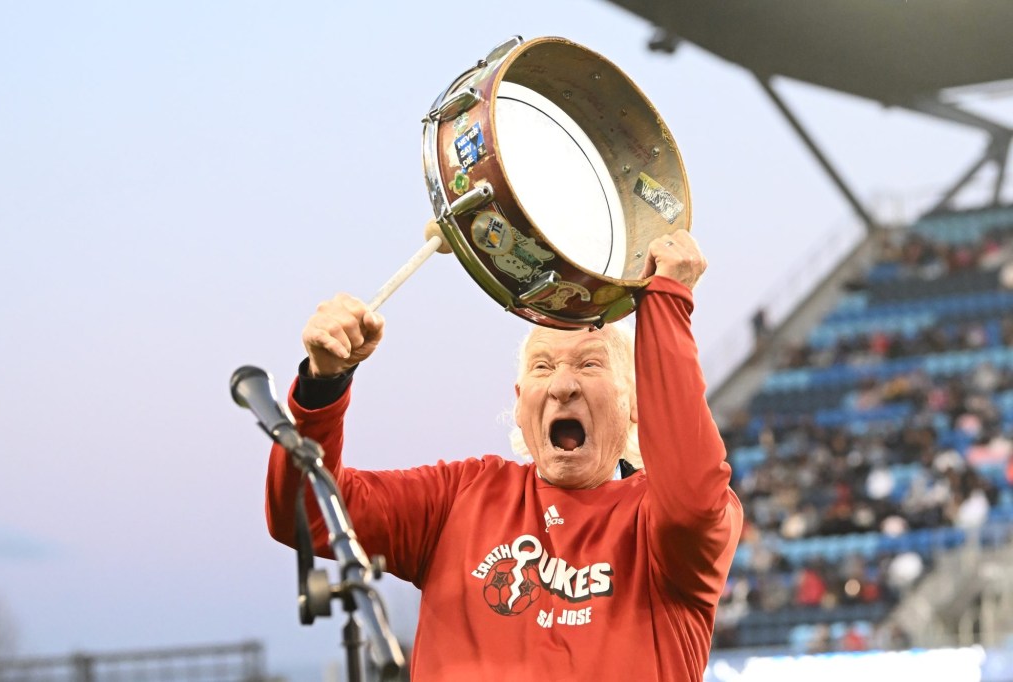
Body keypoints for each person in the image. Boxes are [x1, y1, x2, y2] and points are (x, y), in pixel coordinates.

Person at [265, 229, 743, 681]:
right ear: (519, 402)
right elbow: (307, 515)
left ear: (637, 402)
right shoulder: (460, 498)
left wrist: (666, 306)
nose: (562, 385)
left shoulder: (655, 521)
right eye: (543, 366)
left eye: (589, 363)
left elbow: (692, 503)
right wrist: (323, 384)